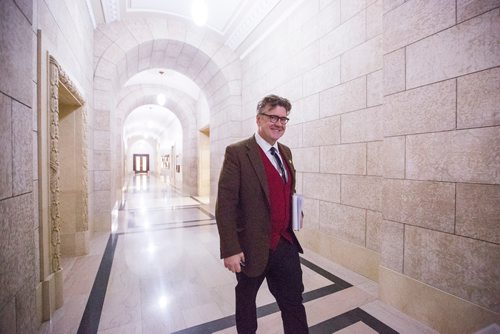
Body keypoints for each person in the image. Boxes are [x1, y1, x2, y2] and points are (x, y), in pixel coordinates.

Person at [215, 94, 308, 334]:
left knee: (294, 302)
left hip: (285, 244)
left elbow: (287, 188)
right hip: (251, 247)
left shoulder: (285, 151)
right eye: (273, 117)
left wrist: (295, 212)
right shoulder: (238, 152)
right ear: (259, 119)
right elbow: (225, 204)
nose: (279, 123)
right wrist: (230, 249)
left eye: (284, 119)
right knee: (246, 304)